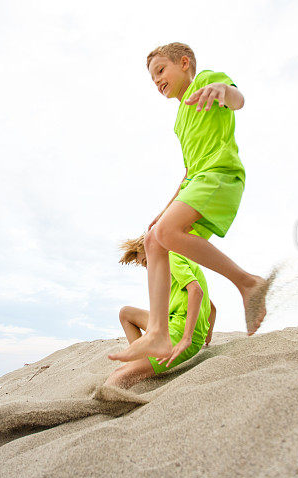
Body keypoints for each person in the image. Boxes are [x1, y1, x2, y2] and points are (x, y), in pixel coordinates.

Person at [109, 42, 268, 364]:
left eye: (160, 71)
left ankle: (249, 283)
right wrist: (164, 210)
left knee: (166, 233)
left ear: (184, 64)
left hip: (221, 175)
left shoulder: (206, 81)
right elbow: (188, 171)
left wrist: (224, 90)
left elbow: (238, 100)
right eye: (152, 78)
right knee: (155, 237)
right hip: (199, 181)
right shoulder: (179, 119)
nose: (156, 81)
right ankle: (157, 332)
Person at [105, 235, 216, 389]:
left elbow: (196, 291)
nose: (149, 268)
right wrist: (206, 338)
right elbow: (212, 307)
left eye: (146, 262)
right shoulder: (176, 259)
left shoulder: (170, 256)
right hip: (172, 322)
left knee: (119, 375)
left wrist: (188, 338)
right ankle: (141, 360)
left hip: (179, 331)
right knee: (126, 313)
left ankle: (135, 369)